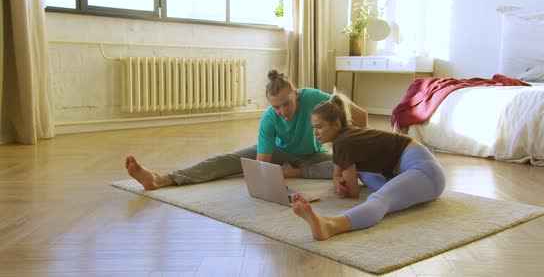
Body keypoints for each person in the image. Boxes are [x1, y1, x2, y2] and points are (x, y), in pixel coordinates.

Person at [125, 69, 369, 190]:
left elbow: (361, 116)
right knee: (230, 160)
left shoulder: (314, 97)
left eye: (287, 103)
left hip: (313, 155)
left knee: (351, 167)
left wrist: (357, 147)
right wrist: (264, 176)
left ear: (296, 94)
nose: (283, 111)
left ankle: (296, 172)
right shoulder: (268, 120)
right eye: (276, 107)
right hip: (280, 153)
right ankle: (162, 179)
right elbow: (262, 165)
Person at [291, 93, 445, 240]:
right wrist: (339, 180)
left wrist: (344, 184)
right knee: (361, 173)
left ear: (336, 124)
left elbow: (353, 192)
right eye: (313, 127)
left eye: (319, 127)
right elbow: (337, 173)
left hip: (426, 173)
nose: (315, 133)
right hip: (412, 169)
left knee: (380, 199)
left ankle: (330, 225)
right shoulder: (345, 138)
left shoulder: (343, 143)